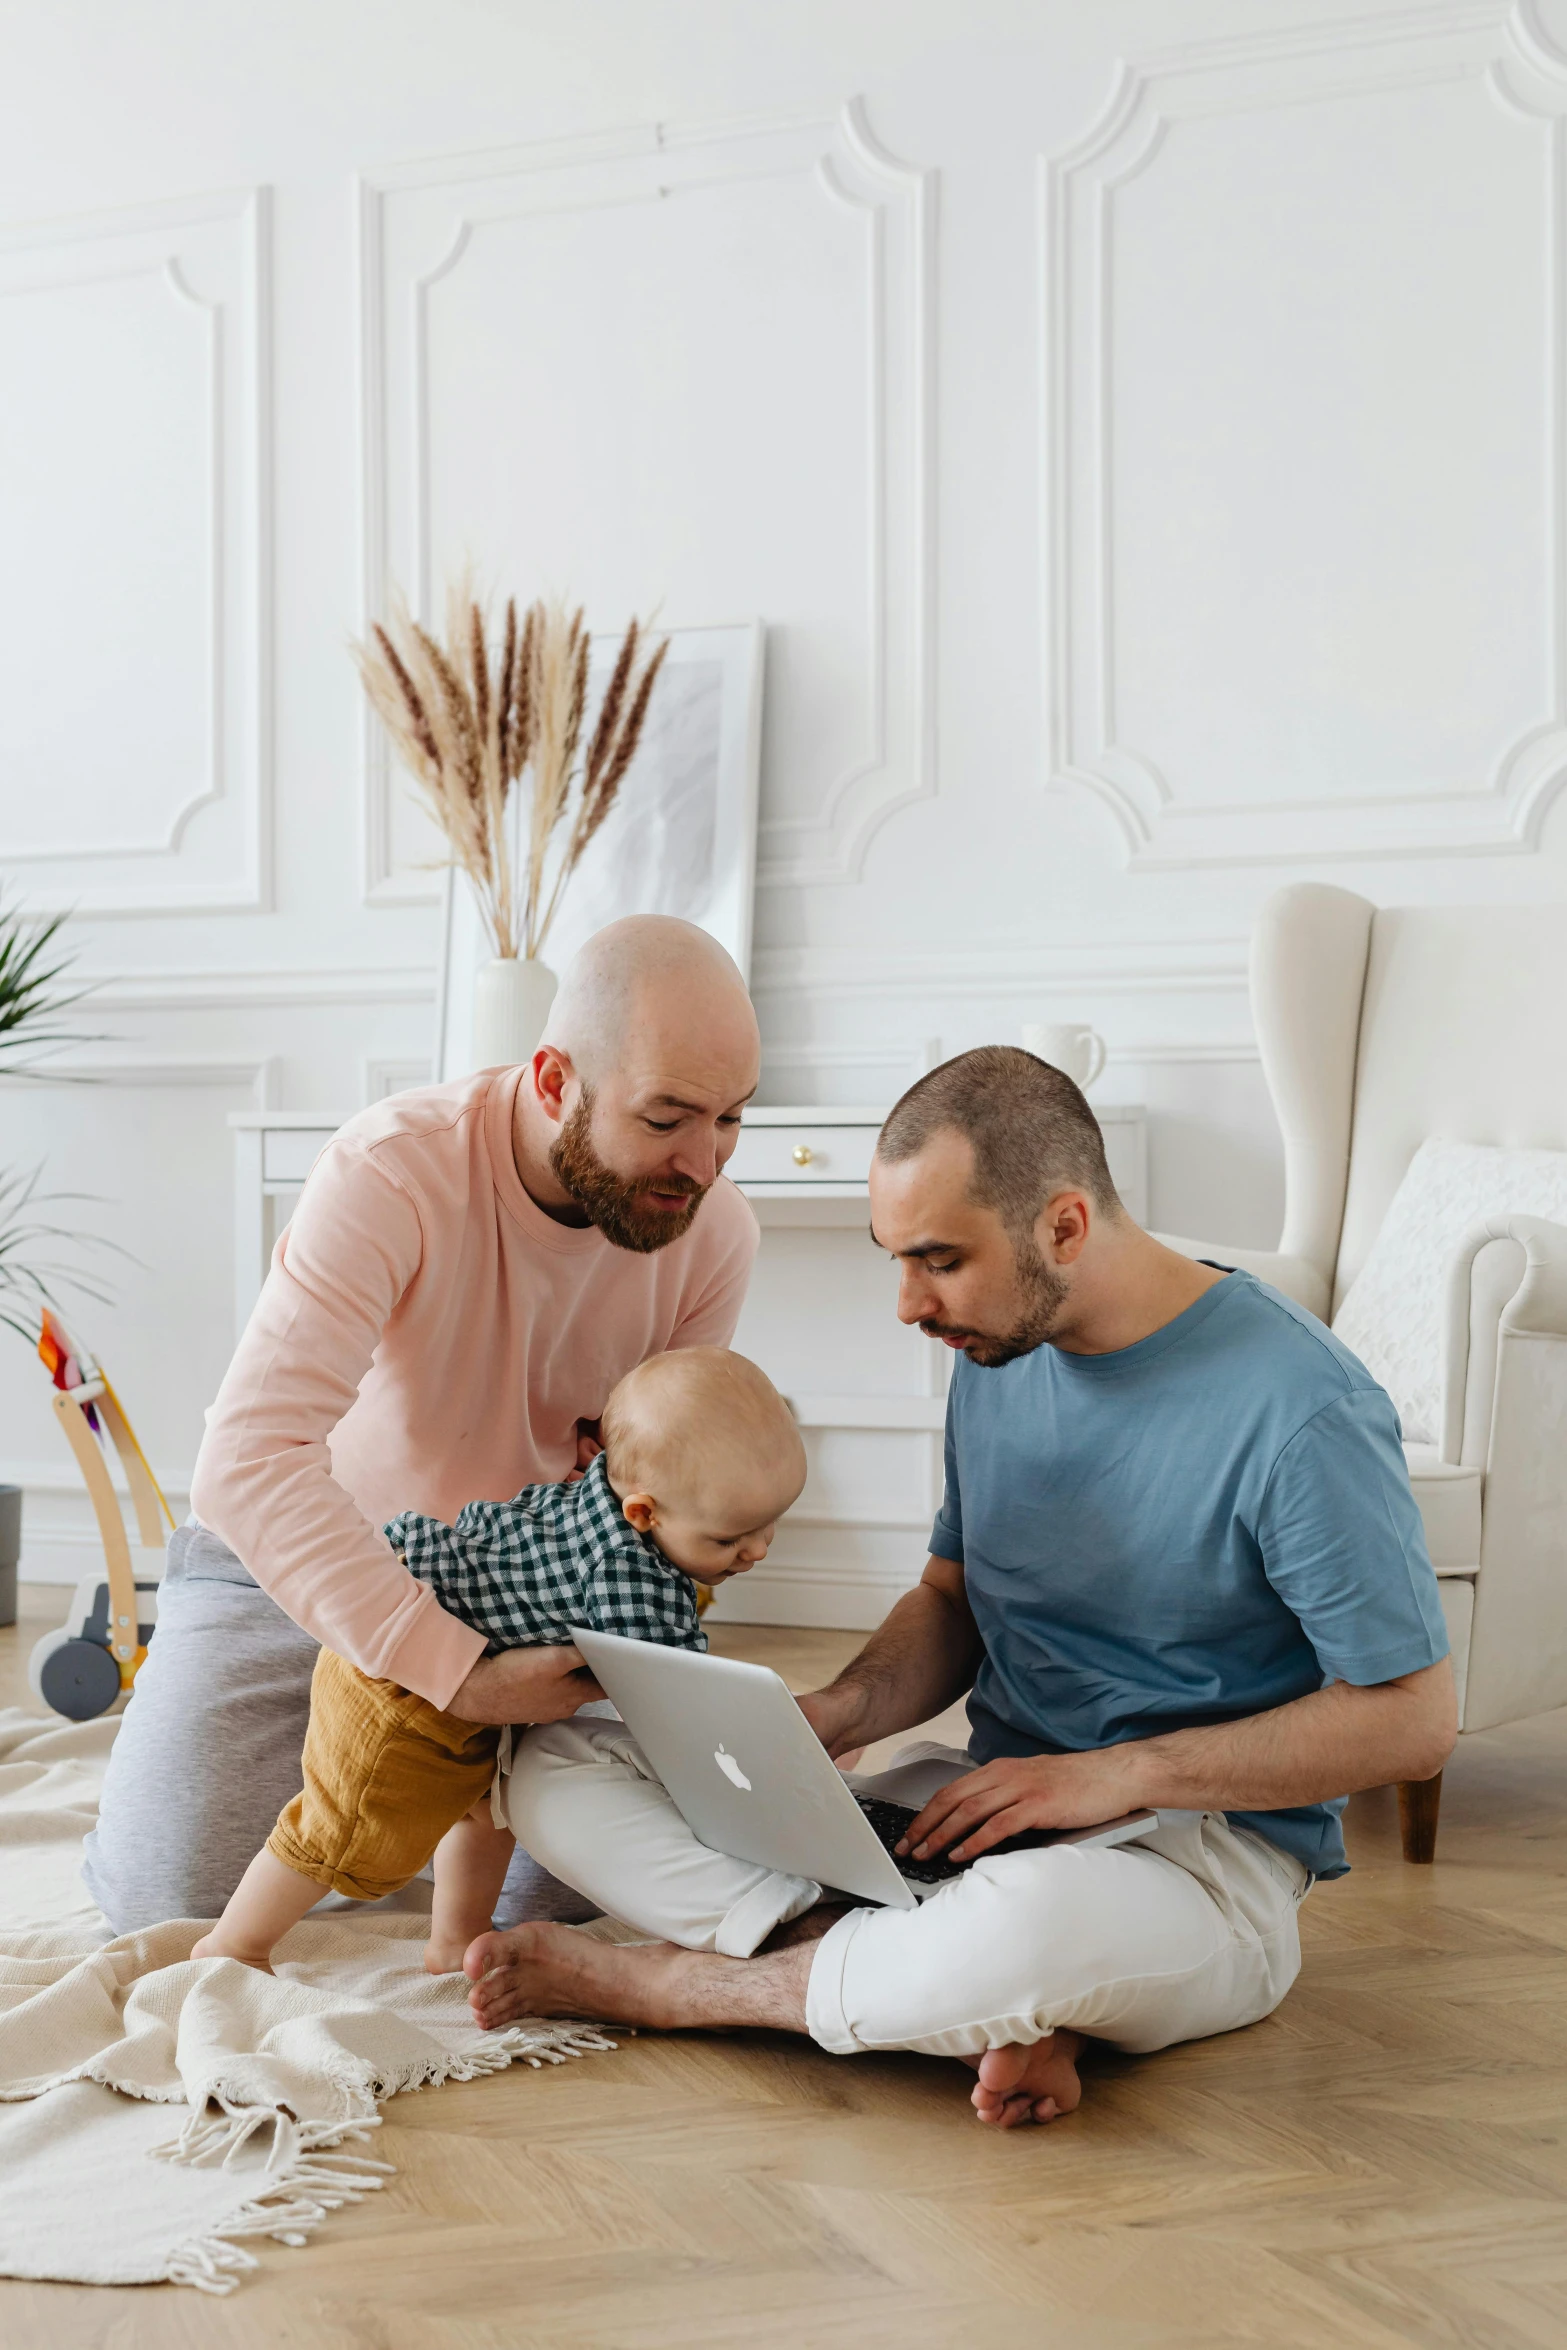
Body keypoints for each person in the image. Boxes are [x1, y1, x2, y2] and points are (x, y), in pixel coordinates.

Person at [463, 1046, 1457, 2128]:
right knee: (557, 1753)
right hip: (971, 1809)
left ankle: (694, 1988)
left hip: (1196, 1855)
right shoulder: (999, 1347)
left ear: (1064, 1226)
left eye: (937, 1259)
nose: (906, 1304)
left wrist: (1119, 1774)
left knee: (1031, 1927)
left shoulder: (1301, 1409)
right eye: (895, 1258)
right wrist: (833, 1713)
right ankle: (934, 1983)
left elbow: (1412, 1721)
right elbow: (953, 1600)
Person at [82, 917, 763, 1932]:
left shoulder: (712, 1231)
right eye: (667, 1117)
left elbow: (650, 1495)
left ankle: (409, 1821)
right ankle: (365, 1796)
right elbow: (249, 1462)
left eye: (730, 1119)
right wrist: (451, 1672)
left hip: (535, 1588)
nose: (702, 1163)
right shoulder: (393, 1170)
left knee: (573, 1906)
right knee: (163, 1898)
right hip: (315, 1563)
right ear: (550, 1081)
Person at [190, 1348, 806, 1975]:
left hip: (480, 1671)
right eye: (729, 1538)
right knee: (346, 1832)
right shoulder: (628, 1575)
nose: (756, 1550)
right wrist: (768, 1752)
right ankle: (234, 1944)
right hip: (404, 1691)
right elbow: (684, 1700)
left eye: (770, 1524)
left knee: (488, 1808)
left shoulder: (611, 1486)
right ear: (643, 1512)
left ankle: (456, 1938)